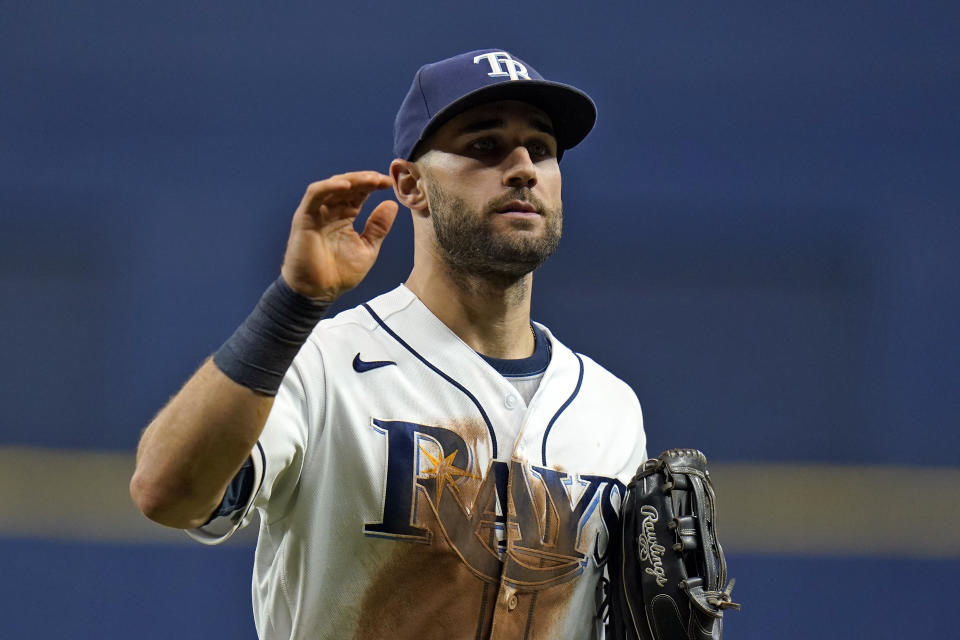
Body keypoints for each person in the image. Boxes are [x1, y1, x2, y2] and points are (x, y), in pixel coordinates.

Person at [130, 48, 647, 640]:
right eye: (485, 146)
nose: (524, 167)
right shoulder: (322, 366)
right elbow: (165, 492)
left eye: (543, 149)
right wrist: (291, 306)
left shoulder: (611, 410)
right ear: (410, 185)